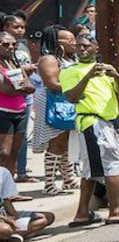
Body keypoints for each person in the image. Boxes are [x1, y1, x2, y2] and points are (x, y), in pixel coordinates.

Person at [60, 34, 119, 225]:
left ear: (96, 48)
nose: (82, 49)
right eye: (79, 46)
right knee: (111, 166)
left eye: (87, 46)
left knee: (91, 170)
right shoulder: (70, 70)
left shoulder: (105, 69)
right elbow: (72, 97)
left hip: (107, 123)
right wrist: (88, 76)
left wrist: (116, 75)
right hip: (91, 122)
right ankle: (115, 211)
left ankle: (82, 213)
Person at [32, 25, 81, 196]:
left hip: (66, 103)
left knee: (66, 142)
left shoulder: (68, 58)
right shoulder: (49, 59)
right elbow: (52, 84)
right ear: (57, 42)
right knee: (56, 143)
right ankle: (49, 183)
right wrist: (79, 87)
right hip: (53, 104)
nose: (73, 42)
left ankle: (68, 180)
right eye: (69, 39)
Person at [0, 32, 34, 178]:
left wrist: (23, 87)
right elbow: (6, 89)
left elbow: (31, 88)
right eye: (6, 44)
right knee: (4, 153)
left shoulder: (13, 62)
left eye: (14, 44)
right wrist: (22, 88)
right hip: (3, 111)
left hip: (20, 111)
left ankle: (9, 190)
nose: (11, 47)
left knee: (15, 152)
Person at [0, 166, 54, 242]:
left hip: (3, 212)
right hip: (2, 217)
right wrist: (6, 219)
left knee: (47, 217)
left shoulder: (3, 172)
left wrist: (16, 218)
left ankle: (17, 235)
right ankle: (7, 235)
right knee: (5, 230)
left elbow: (6, 200)